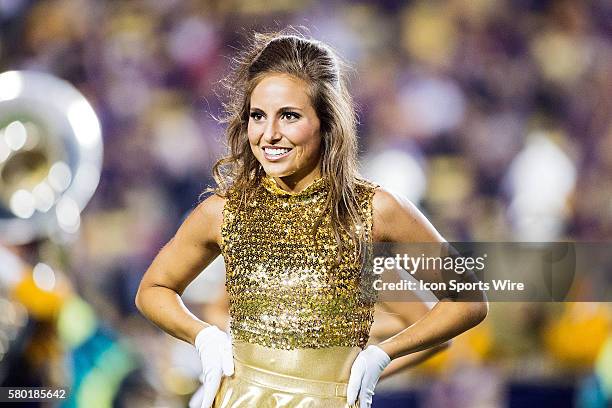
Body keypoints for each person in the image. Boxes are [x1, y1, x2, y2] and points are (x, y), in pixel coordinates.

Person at [135, 31, 488, 408]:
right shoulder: (223, 211)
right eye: (258, 116)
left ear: (326, 121)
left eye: (289, 116)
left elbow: (468, 300)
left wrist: (380, 357)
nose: (269, 134)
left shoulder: (374, 211)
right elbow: (153, 290)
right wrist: (203, 337)